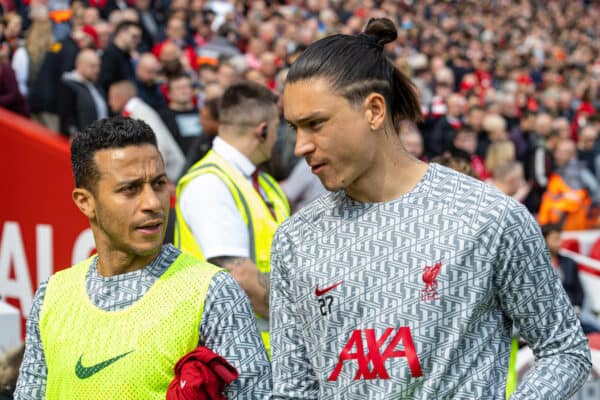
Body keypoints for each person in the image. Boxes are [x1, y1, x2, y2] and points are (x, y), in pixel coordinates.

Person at [271, 18, 591, 399]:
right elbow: (292, 389)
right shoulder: (295, 239)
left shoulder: (487, 217)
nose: (300, 146)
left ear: (374, 110)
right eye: (295, 128)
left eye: (315, 124)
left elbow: (564, 349)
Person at [14, 117, 271, 399]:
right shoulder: (52, 295)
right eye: (130, 189)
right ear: (85, 202)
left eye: (159, 184)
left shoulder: (213, 292)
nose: (152, 203)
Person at [175, 81, 290, 354]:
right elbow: (239, 278)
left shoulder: (266, 185)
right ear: (262, 130)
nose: (278, 137)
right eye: (277, 128)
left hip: (273, 356)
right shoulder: (209, 184)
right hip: (232, 361)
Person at [108, 80, 184, 183]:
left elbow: (159, 143)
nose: (109, 103)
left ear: (120, 97)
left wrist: (153, 175)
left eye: (111, 97)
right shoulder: (137, 111)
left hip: (172, 177)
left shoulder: (140, 112)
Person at [541, 223, 600, 334]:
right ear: (544, 240)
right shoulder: (536, 265)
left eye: (560, 238)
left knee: (595, 325)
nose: (560, 243)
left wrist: (576, 307)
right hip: (547, 315)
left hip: (572, 310)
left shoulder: (569, 262)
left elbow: (579, 291)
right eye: (555, 239)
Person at [57, 49, 108, 137]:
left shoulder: (95, 85)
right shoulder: (68, 85)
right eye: (92, 66)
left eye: (98, 66)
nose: (97, 70)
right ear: (79, 65)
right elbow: (67, 116)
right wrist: (73, 133)